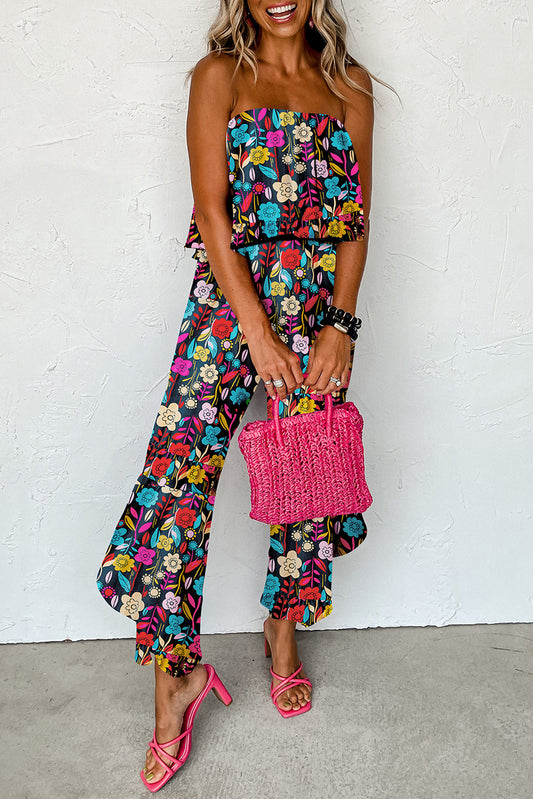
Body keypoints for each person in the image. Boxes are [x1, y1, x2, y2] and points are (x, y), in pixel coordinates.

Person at [96, 0, 387, 791]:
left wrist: (340, 326)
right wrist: (254, 330)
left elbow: (355, 221)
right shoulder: (219, 75)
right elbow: (213, 211)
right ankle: (176, 677)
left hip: (315, 309)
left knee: (306, 478)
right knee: (174, 481)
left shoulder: (351, 86)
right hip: (229, 305)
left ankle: (281, 629)